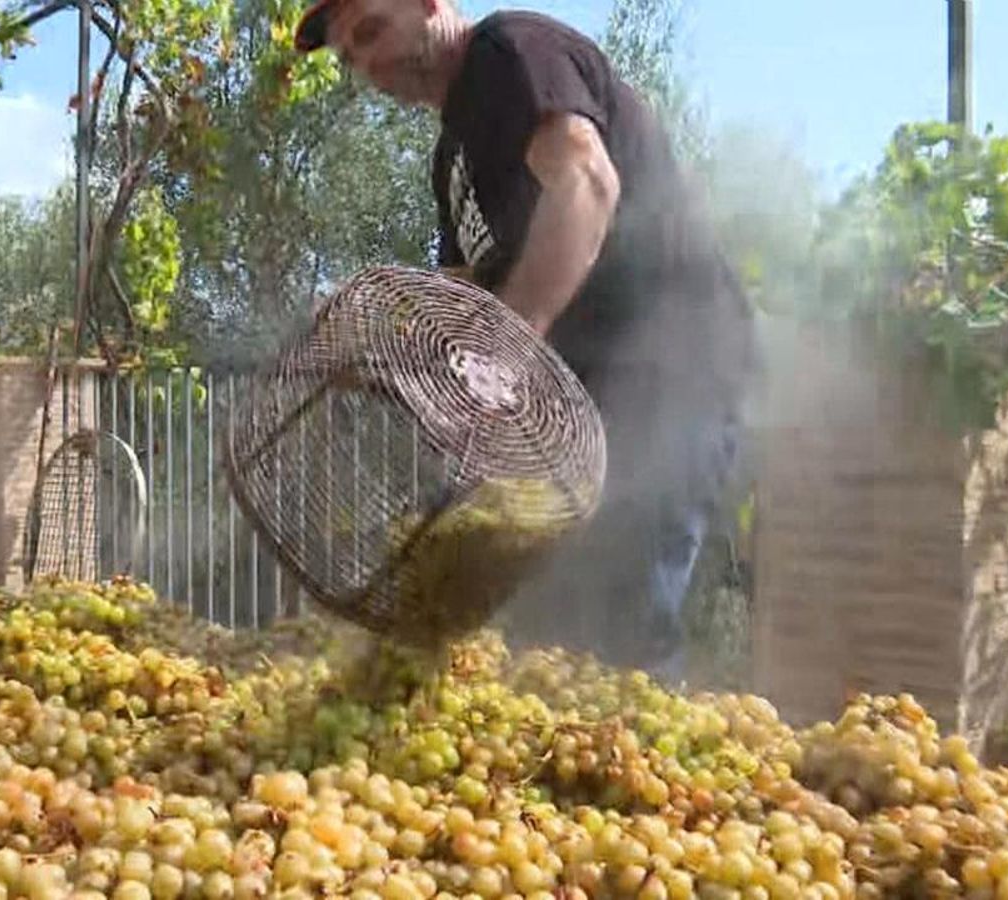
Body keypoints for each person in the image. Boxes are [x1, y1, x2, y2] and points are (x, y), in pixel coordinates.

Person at [292, 0, 757, 681]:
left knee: (624, 623)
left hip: (669, 370)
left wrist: (509, 345)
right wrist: (378, 324)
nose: (368, 65)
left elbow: (585, 179)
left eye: (371, 31)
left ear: (430, 6)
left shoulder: (510, 55)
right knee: (548, 628)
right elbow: (463, 295)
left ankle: (644, 779)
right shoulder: (452, 156)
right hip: (585, 409)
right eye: (351, 57)